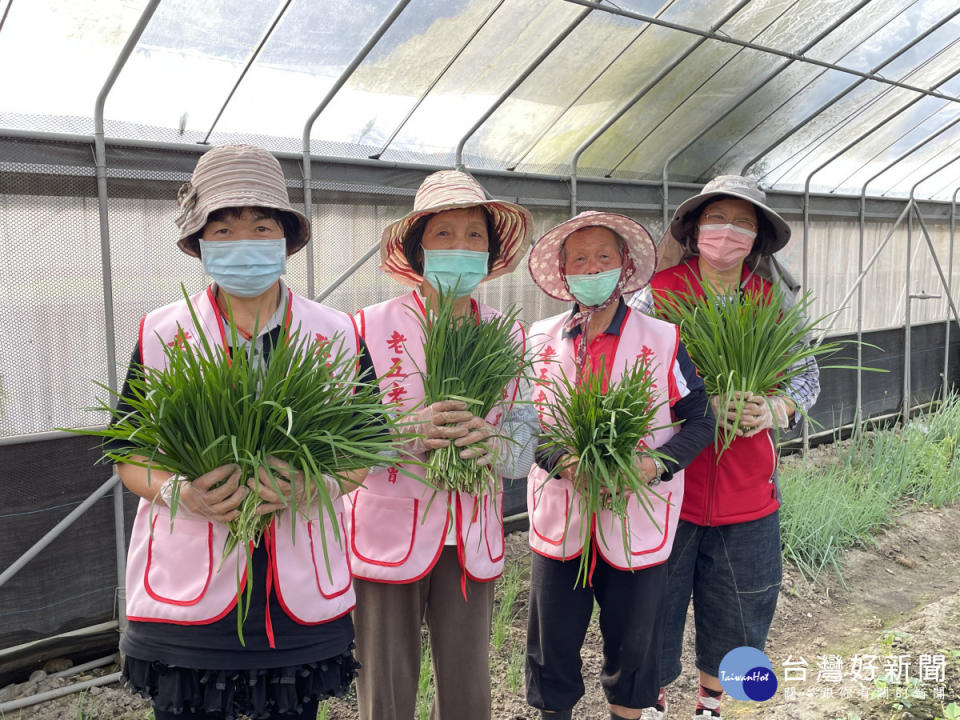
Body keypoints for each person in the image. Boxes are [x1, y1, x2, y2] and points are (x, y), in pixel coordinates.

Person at [114, 144, 371, 720]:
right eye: (223, 229)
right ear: (199, 242)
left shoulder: (334, 334)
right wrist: (180, 491)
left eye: (260, 226)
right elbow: (127, 454)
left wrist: (314, 485)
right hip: (191, 588)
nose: (243, 242)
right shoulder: (164, 332)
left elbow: (364, 449)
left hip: (295, 588)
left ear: (285, 238)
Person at [631, 175, 821, 719]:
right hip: (670, 487)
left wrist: (776, 408)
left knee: (741, 609)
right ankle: (655, 701)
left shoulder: (773, 302)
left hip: (748, 493)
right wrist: (697, 406)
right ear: (695, 229)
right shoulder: (658, 294)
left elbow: (806, 379)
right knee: (656, 608)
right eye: (717, 219)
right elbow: (628, 375)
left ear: (757, 237)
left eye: (743, 223)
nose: (728, 232)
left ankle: (713, 705)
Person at [345, 170, 532, 720]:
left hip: (470, 532)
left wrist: (489, 443)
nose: (461, 248)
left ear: (490, 252)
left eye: (474, 236)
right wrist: (404, 434)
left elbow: (522, 450)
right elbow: (339, 445)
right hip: (388, 531)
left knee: (469, 685)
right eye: (444, 235)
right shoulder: (366, 328)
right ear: (417, 249)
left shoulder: (509, 334)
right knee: (385, 687)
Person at [524, 211, 715, 720]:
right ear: (563, 272)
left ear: (624, 264)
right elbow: (524, 426)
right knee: (553, 641)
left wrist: (651, 466)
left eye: (603, 257)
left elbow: (700, 422)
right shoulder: (538, 340)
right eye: (579, 259)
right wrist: (566, 462)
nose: (592, 268)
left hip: (637, 514)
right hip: (562, 511)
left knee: (634, 642)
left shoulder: (662, 338)